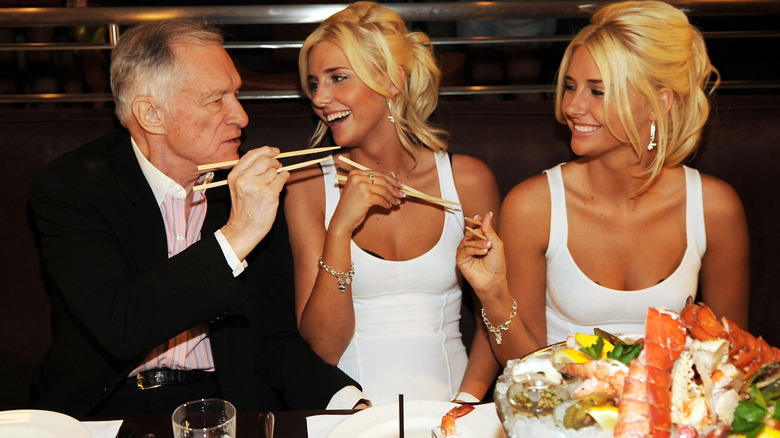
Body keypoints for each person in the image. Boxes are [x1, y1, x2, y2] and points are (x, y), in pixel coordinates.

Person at [28, 18, 361, 416]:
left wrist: (350, 402)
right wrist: (238, 234)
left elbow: (272, 338)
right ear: (152, 114)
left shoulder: (240, 186)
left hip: (223, 401)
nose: (241, 116)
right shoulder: (73, 187)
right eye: (217, 99)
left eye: (236, 94)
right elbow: (121, 323)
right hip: (109, 406)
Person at [457, 0, 749, 365]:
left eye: (597, 91)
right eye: (570, 86)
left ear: (659, 102)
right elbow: (525, 370)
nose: (572, 107)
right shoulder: (534, 206)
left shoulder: (714, 207)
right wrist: (493, 295)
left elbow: (730, 357)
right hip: (561, 414)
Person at [286, 1, 502, 405]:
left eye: (337, 78)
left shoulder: (467, 181)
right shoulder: (308, 186)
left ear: (392, 81)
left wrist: (468, 402)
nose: (320, 97)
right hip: (350, 413)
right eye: (314, 83)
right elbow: (323, 347)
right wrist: (340, 229)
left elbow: (498, 315)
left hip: (454, 407)